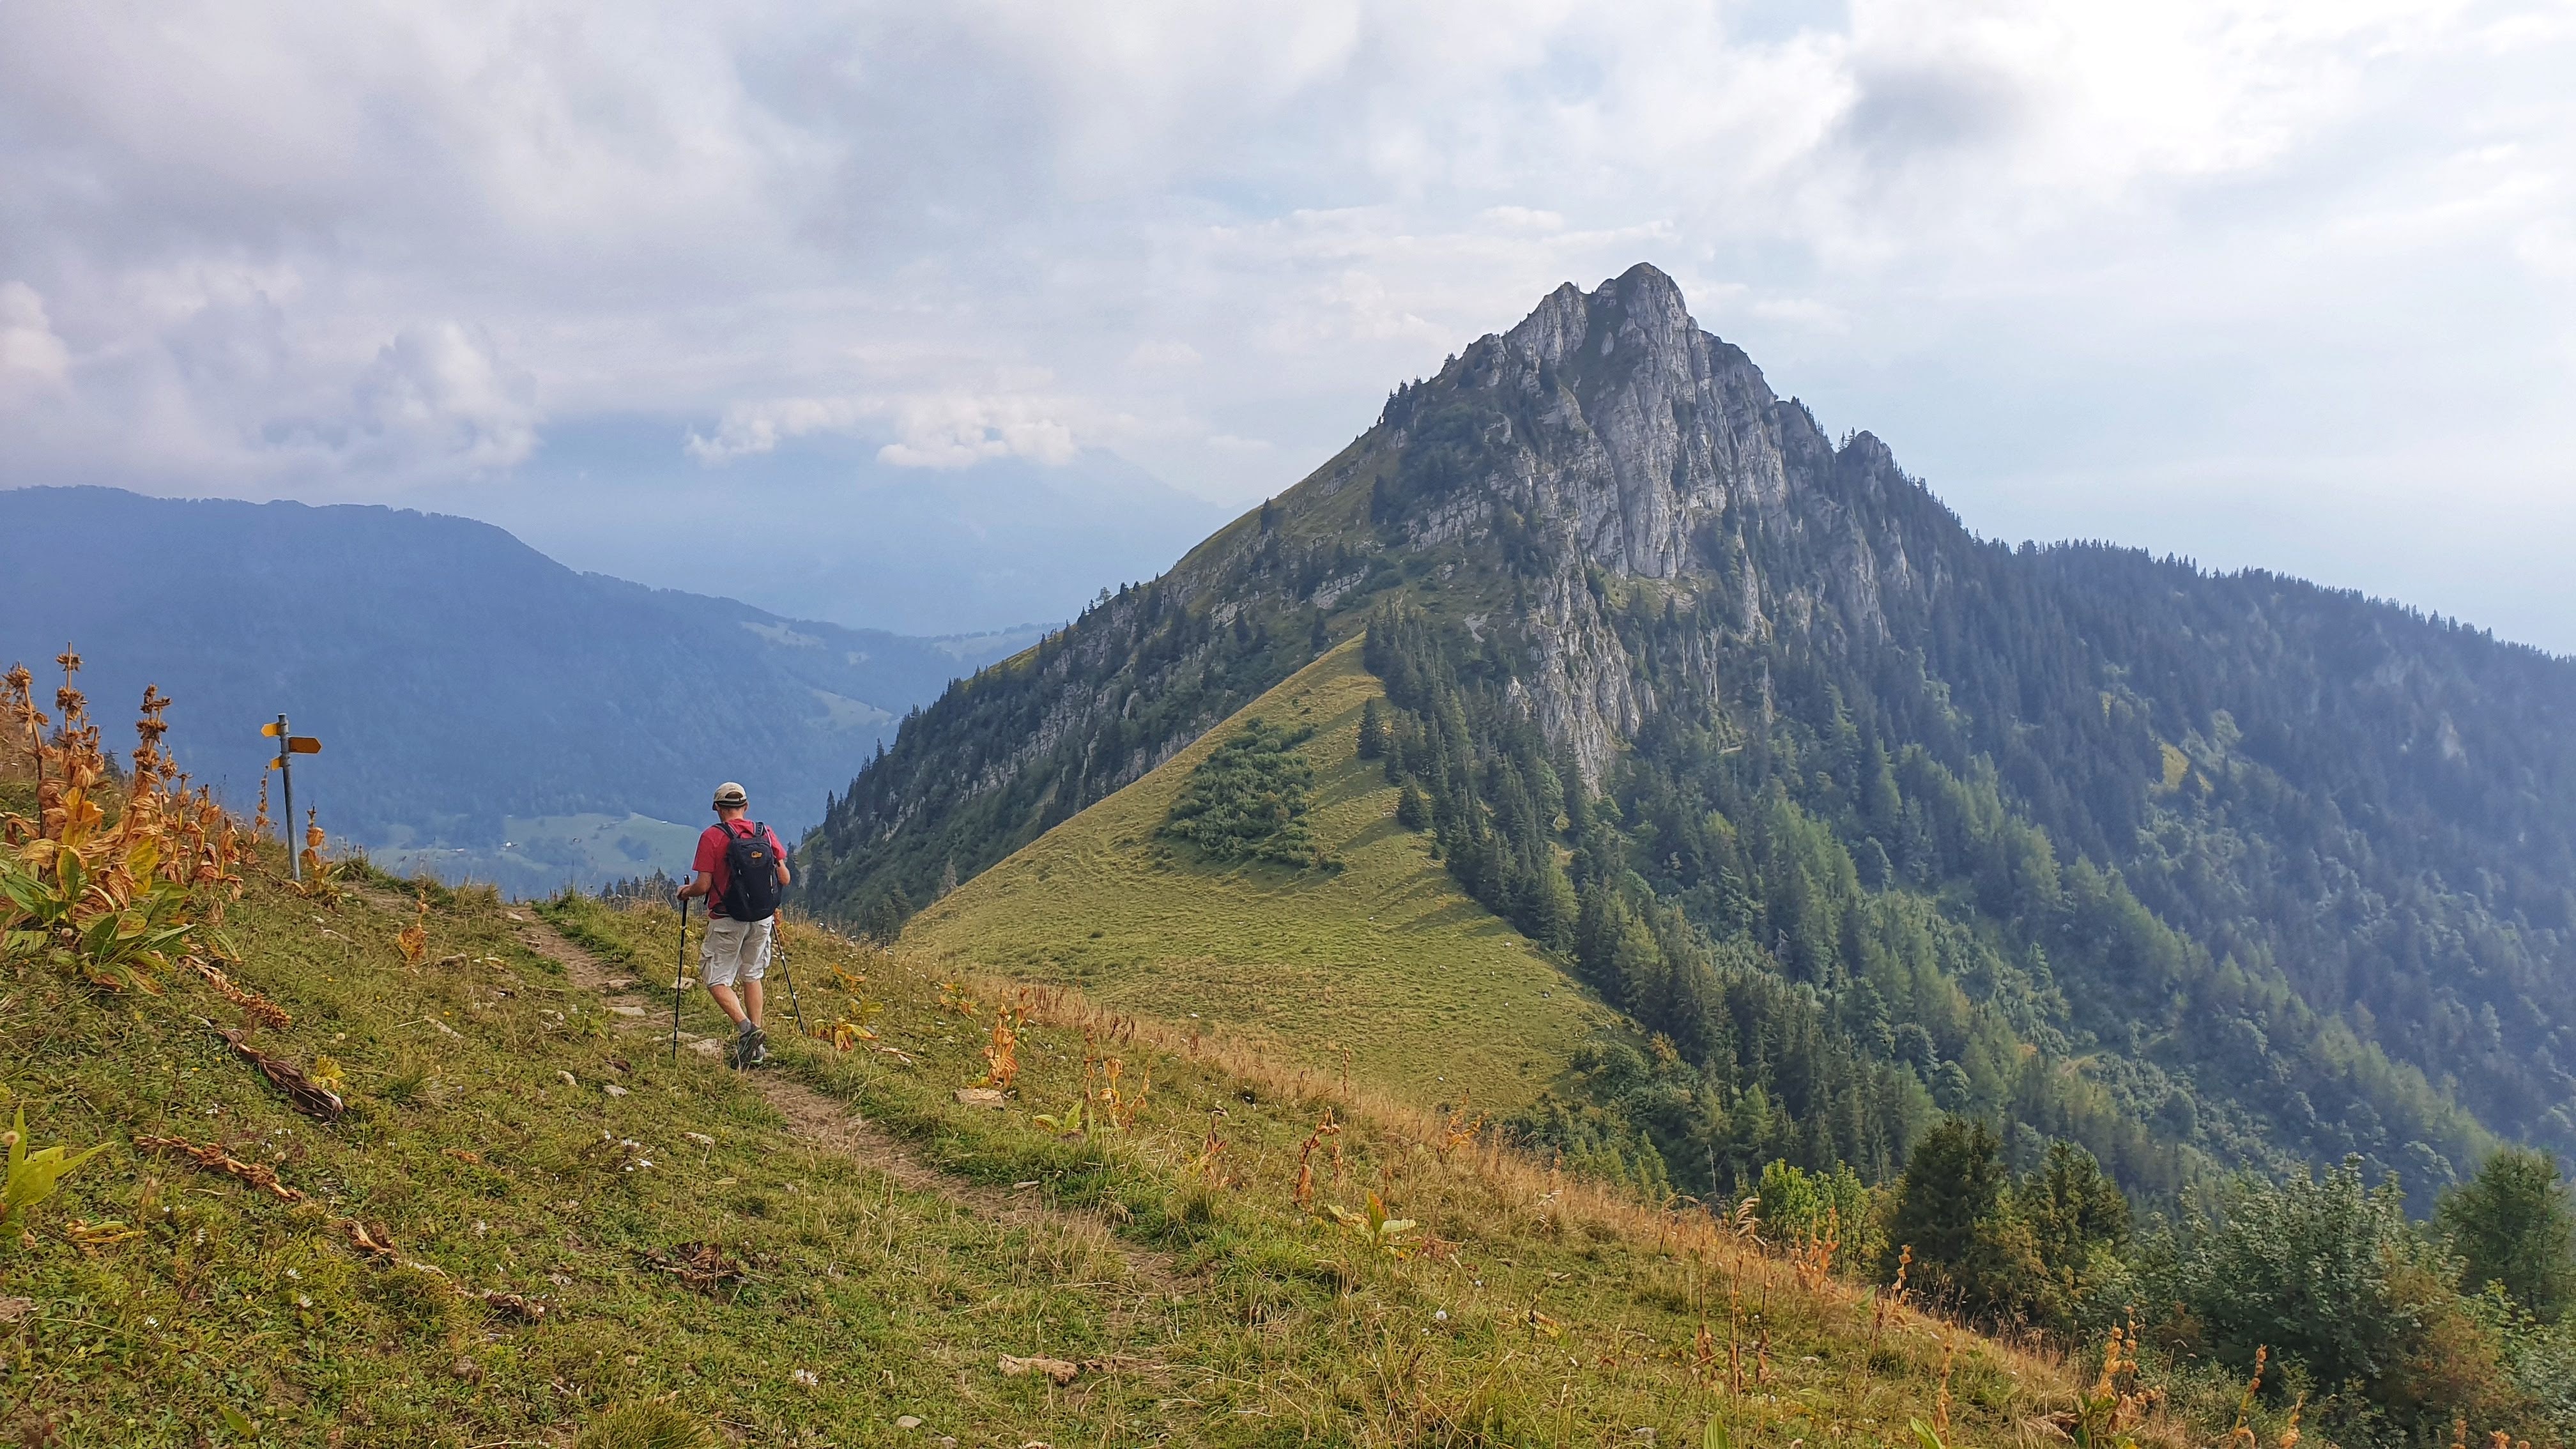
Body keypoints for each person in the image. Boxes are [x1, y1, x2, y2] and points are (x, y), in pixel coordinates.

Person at [677, 781, 790, 1067]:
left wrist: (686, 892)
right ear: (746, 806)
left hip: (728, 918)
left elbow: (704, 885)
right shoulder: (764, 833)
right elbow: (785, 878)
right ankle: (757, 1047)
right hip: (762, 918)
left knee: (716, 978)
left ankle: (747, 1030)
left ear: (717, 808)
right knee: (752, 974)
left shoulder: (712, 837)